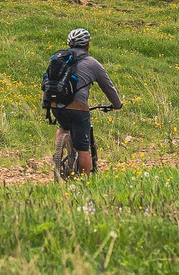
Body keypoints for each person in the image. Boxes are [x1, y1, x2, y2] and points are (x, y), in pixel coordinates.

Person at [43, 27, 123, 177]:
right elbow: (108, 87)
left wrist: (47, 103)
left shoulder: (58, 59)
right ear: (87, 45)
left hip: (55, 105)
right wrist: (116, 105)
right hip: (78, 109)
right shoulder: (92, 63)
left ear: (70, 45)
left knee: (63, 126)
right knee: (83, 148)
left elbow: (48, 81)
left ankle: (59, 155)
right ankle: (86, 181)